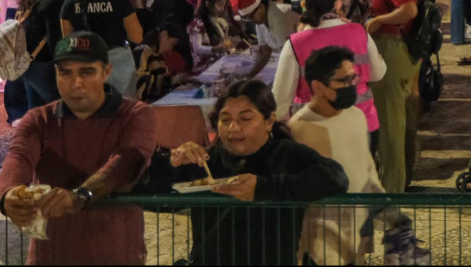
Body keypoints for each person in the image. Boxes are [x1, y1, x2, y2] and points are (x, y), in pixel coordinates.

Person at [0, 32, 159, 266]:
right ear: (56, 74)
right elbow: (19, 157)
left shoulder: (136, 114)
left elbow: (126, 162)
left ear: (106, 72)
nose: (76, 83)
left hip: (116, 254)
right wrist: (9, 194)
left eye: (87, 72)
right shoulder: (38, 119)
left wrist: (80, 196)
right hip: (50, 257)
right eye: (66, 73)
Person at [149, 79, 349, 265]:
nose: (234, 127)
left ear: (269, 121)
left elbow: (336, 178)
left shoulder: (286, 154)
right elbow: (153, 197)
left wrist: (265, 189)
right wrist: (171, 164)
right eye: (225, 120)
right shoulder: (206, 161)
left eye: (245, 119)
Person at [291, 46, 386, 266]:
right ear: (318, 87)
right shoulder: (300, 129)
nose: (351, 85)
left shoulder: (356, 117)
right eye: (343, 81)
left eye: (354, 77)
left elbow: (367, 168)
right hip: (322, 245)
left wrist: (387, 209)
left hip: (357, 232)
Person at [274, 0, 386, 142]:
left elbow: (280, 102)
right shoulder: (359, 32)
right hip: (363, 125)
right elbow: (378, 74)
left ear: (305, 5)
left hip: (315, 131)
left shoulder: (295, 43)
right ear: (337, 3)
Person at [364, 0, 424, 193]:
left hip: (392, 49)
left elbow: (409, 9)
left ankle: (392, 189)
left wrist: (378, 20)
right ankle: (403, 178)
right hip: (404, 50)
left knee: (390, 125)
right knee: (403, 120)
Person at [63, 0, 142, 97]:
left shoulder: (70, 2)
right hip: (118, 65)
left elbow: (67, 39)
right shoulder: (120, 1)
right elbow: (136, 37)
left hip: (84, 63)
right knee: (122, 112)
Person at [14, 0, 76, 110]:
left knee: (36, 113)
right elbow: (55, 39)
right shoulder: (56, 0)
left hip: (28, 63)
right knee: (59, 108)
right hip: (43, 66)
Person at [134, 22, 194, 102]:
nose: (170, 50)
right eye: (172, 45)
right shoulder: (142, 52)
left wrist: (180, 78)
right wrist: (172, 80)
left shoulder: (159, 55)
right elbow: (140, 84)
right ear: (164, 35)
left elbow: (164, 79)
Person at [188, 0, 236, 68]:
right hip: (204, 65)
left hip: (219, 60)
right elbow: (197, 48)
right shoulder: (197, 24)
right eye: (219, 5)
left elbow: (223, 43)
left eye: (224, 6)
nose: (222, 9)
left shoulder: (220, 22)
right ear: (208, 4)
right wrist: (215, 49)